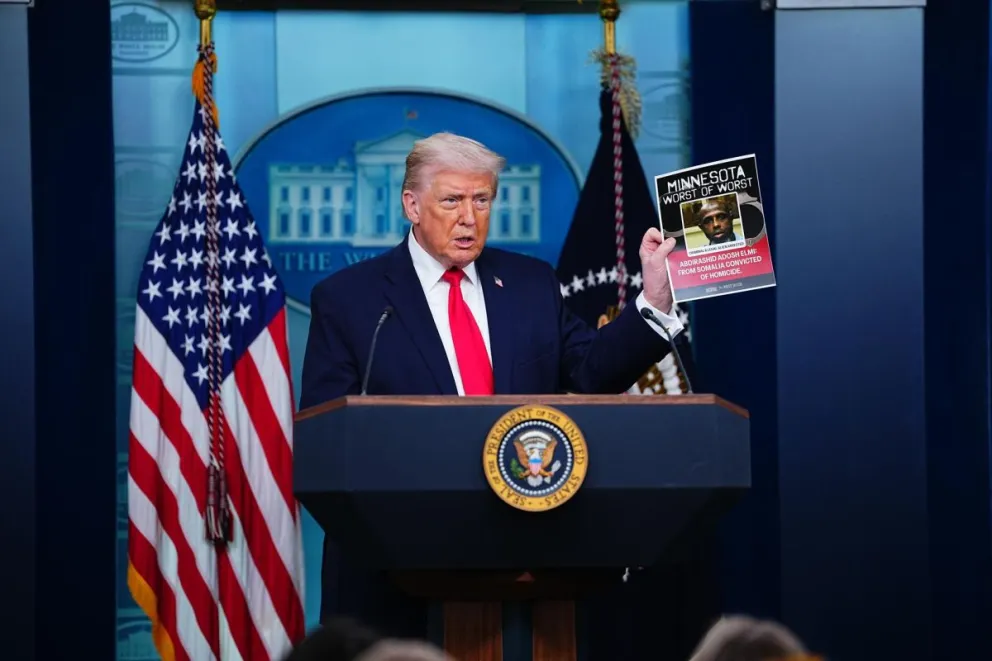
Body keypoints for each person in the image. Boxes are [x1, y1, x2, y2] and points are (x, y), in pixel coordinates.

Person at [298, 131, 685, 634]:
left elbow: (593, 371)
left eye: (481, 200)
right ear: (412, 206)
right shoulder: (350, 299)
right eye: (452, 201)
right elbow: (326, 441)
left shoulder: (531, 283)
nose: (469, 217)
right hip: (393, 574)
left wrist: (653, 300)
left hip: (527, 559)